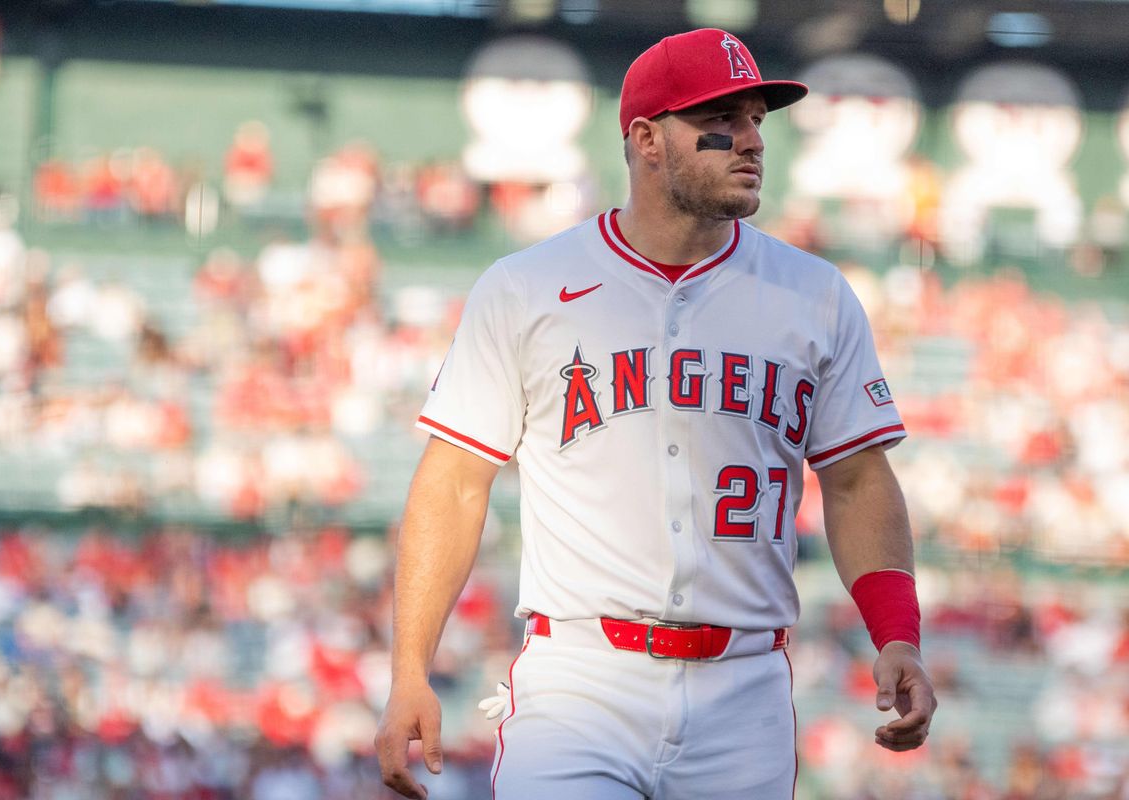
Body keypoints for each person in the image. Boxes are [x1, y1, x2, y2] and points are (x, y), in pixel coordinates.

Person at [376, 28, 937, 800]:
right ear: (646, 139)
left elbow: (858, 481)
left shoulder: (814, 294)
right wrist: (410, 669)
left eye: (756, 120)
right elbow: (454, 482)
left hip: (743, 690)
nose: (751, 140)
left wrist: (897, 634)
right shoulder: (527, 286)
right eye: (721, 120)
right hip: (580, 681)